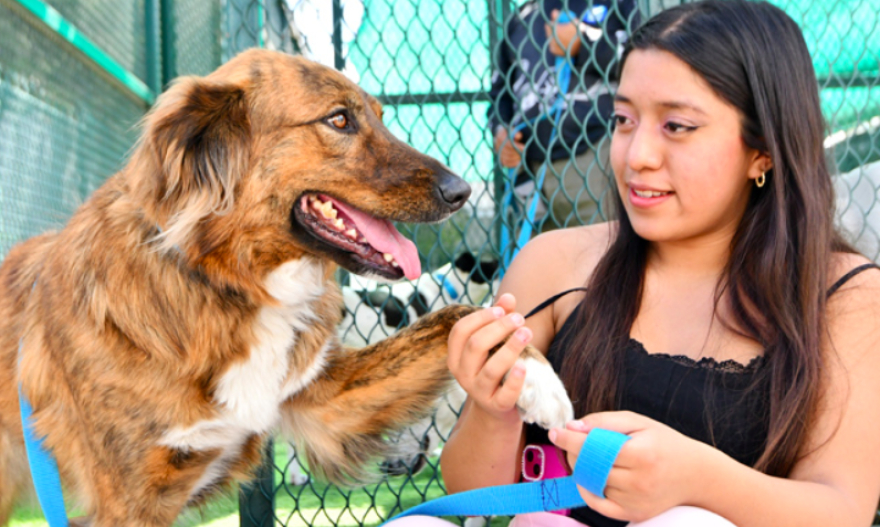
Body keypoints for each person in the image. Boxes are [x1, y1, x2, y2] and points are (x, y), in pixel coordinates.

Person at [389, 1, 880, 526]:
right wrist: (493, 409)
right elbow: (472, 491)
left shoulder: (848, 297)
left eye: (677, 126)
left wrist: (699, 482)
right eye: (623, 120)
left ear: (763, 150)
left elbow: (842, 510)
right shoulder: (555, 263)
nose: (636, 154)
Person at [490, 0, 639, 232]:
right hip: (531, 167)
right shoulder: (522, 17)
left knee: (604, 247)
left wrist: (585, 43)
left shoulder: (616, 4)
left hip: (594, 156)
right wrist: (502, 132)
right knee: (536, 252)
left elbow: (640, 61)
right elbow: (500, 93)